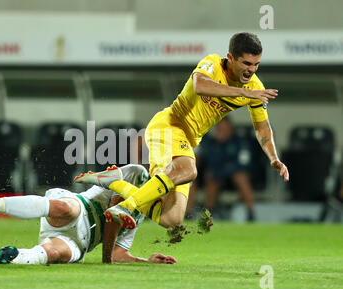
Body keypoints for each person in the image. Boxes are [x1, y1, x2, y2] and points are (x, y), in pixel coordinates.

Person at [74, 32, 289, 229]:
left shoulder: (254, 87)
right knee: (188, 170)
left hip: (186, 141)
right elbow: (200, 86)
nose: (251, 70)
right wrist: (242, 93)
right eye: (246, 63)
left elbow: (262, 126)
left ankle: (115, 182)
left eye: (256, 64)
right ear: (230, 58)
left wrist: (273, 157)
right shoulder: (212, 63)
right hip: (168, 126)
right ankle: (125, 207)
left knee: (172, 218)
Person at [0, 164, 176, 265]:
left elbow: (119, 255)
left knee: (53, 253)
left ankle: (10, 257)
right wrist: (106, 259)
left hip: (81, 241)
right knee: (66, 209)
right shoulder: (137, 175)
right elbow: (113, 214)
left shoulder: (139, 217)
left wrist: (146, 261)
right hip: (81, 208)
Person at [199, 117, 256, 221]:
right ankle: (208, 214)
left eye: (224, 129)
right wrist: (219, 145)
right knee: (210, 178)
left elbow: (243, 164)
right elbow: (210, 164)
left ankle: (250, 213)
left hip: (234, 176)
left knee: (240, 177)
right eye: (219, 129)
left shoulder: (241, 143)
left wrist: (225, 169)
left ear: (230, 129)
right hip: (219, 177)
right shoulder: (213, 144)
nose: (222, 132)